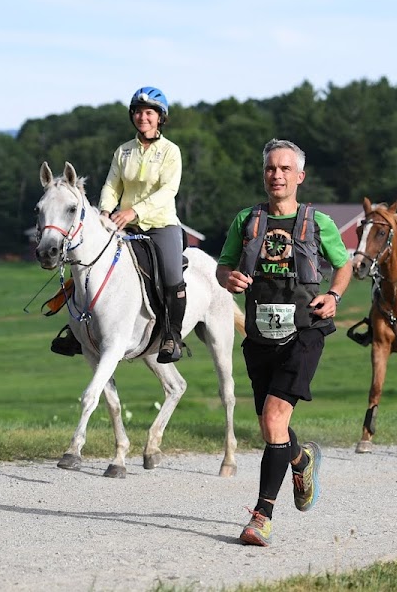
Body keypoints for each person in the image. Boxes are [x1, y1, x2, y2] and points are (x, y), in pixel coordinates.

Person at [215, 138, 351, 546]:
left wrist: (335, 295)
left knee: (275, 419)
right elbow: (224, 268)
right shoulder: (247, 220)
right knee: (272, 427)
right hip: (259, 332)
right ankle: (301, 458)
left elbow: (342, 266)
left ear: (300, 177)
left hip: (305, 331)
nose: (277, 175)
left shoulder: (318, 221)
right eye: (271, 169)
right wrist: (230, 279)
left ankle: (262, 516)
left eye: (285, 169)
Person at [50, 86, 188, 364]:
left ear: (160, 117)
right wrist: (104, 210)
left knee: (172, 277)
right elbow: (112, 185)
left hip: (161, 225)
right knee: (88, 263)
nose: (143, 117)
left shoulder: (171, 152)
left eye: (149, 112)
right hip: (124, 225)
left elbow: (167, 192)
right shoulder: (123, 152)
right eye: (138, 112)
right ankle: (77, 330)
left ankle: (172, 336)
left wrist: (133, 212)